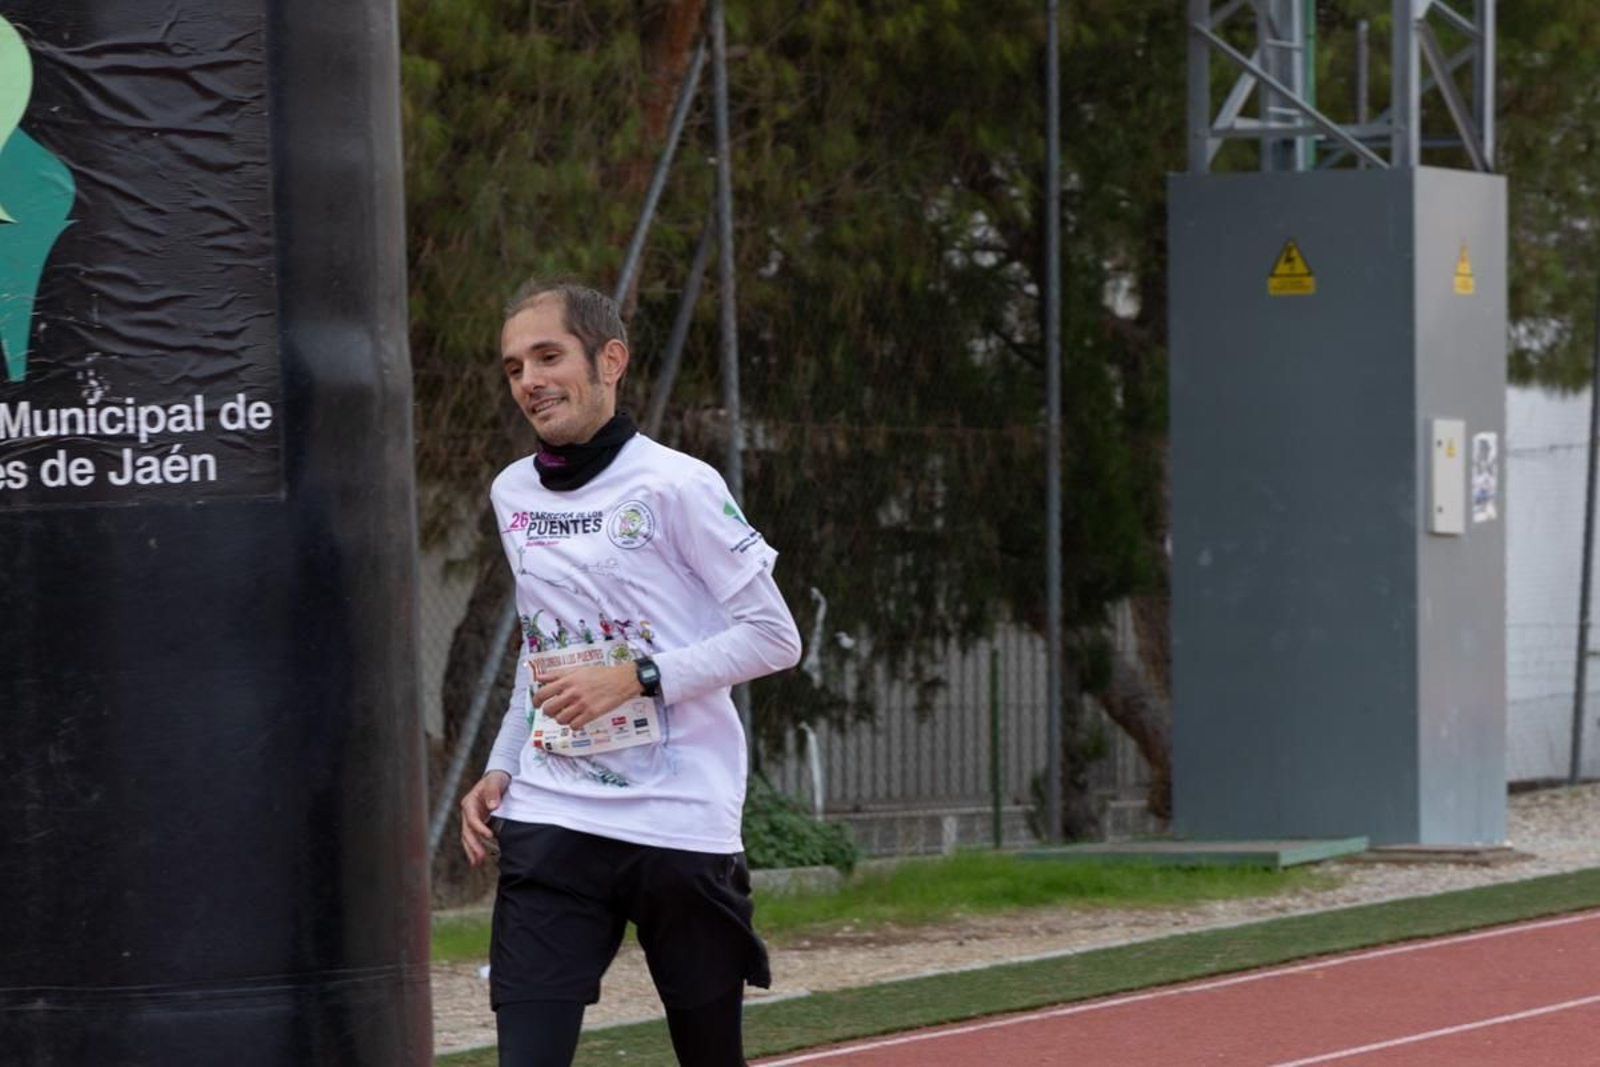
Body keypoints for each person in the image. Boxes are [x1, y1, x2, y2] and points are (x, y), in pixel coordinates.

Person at [460, 279, 802, 1067]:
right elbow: (541, 642)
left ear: (609, 359)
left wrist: (638, 676)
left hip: (678, 820)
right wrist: (504, 762)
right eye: (513, 367)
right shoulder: (512, 491)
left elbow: (774, 637)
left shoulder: (680, 485)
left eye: (548, 356)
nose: (529, 381)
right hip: (554, 813)